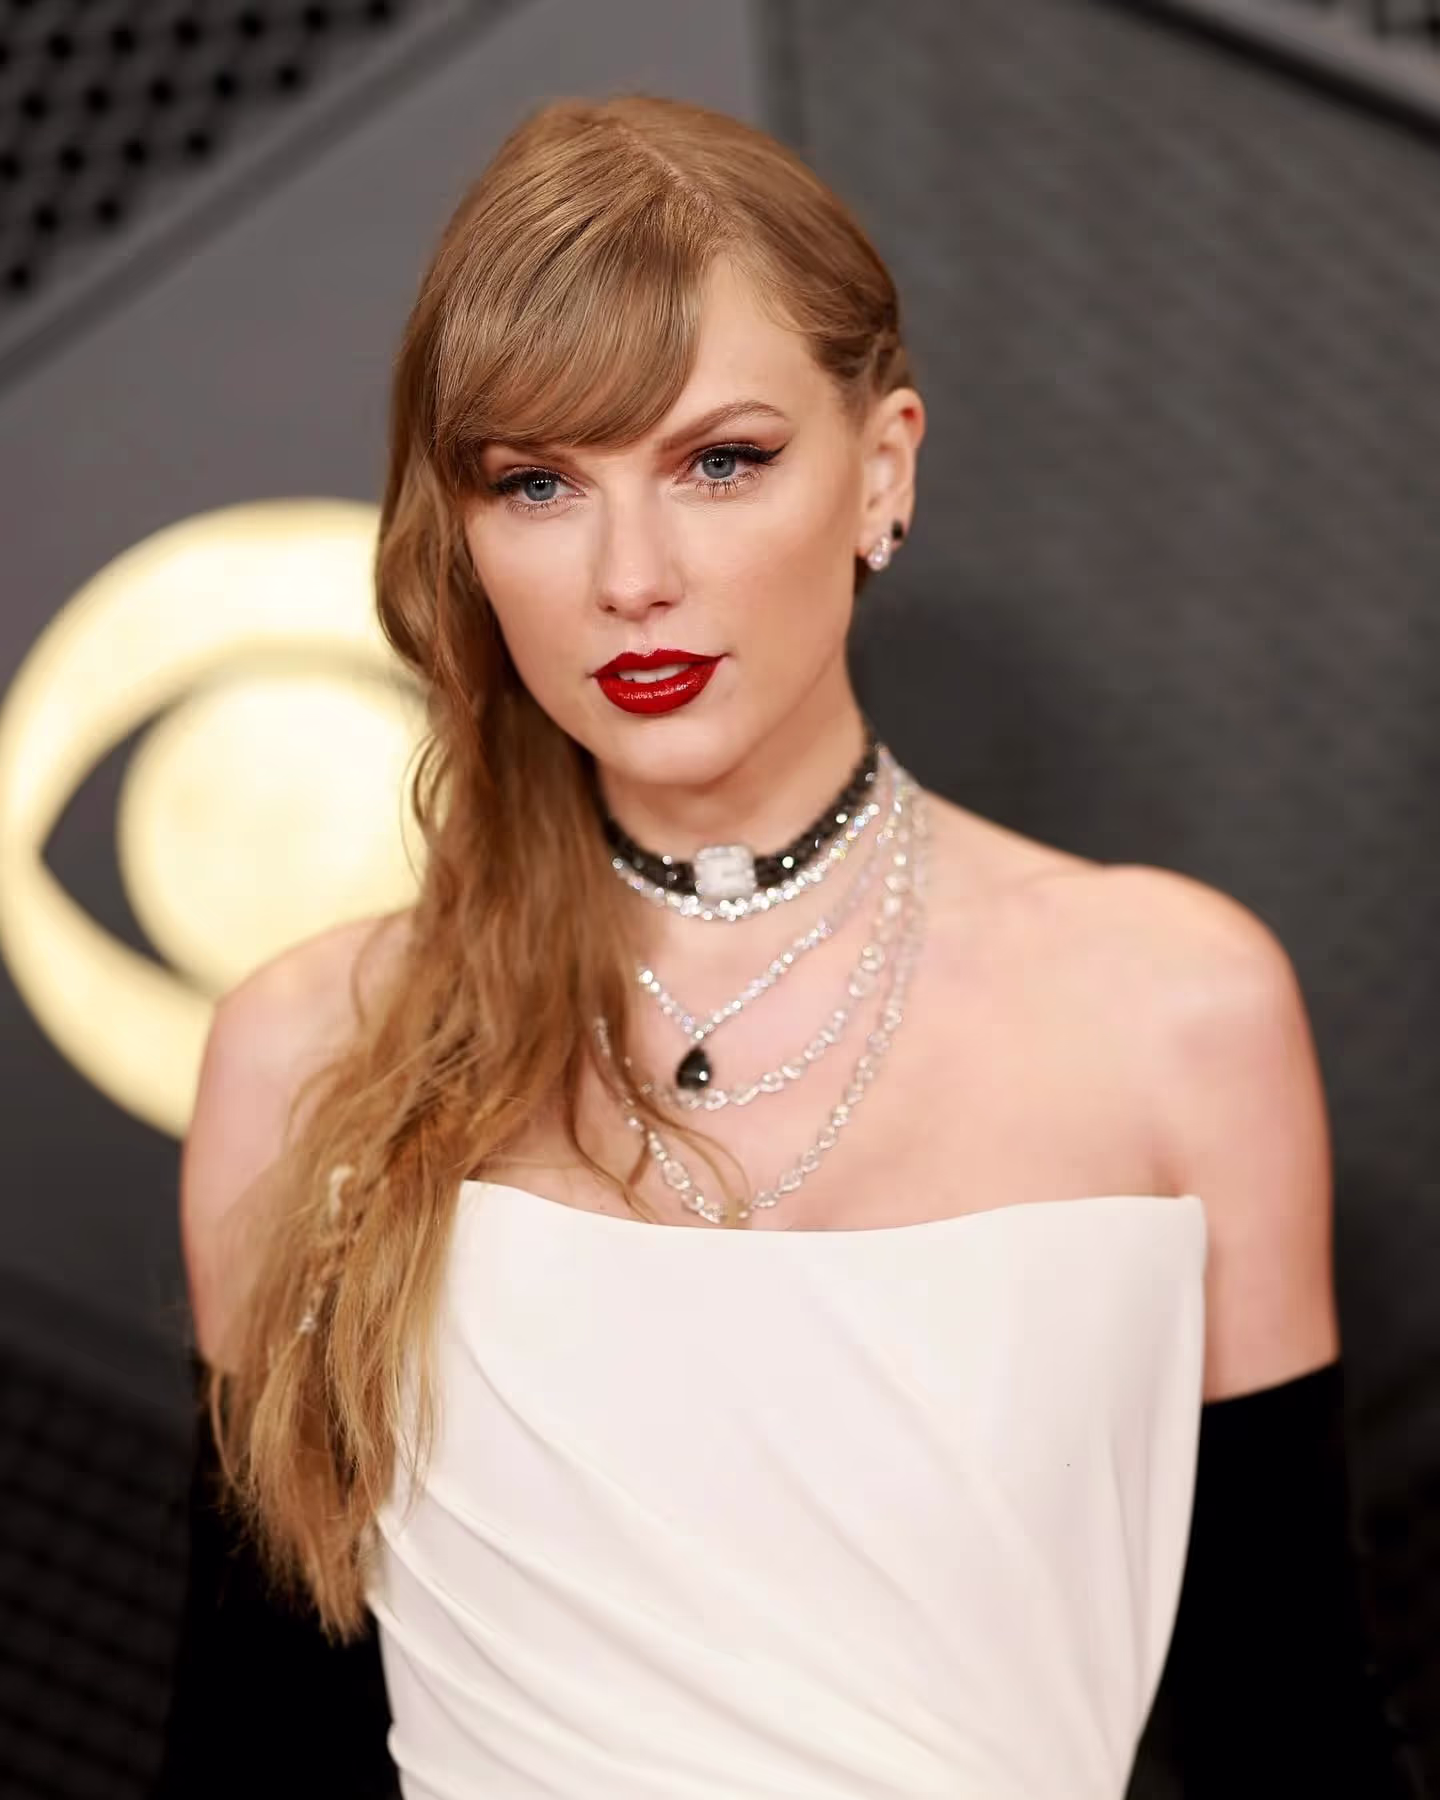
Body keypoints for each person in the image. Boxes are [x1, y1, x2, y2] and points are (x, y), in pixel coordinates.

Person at [153, 92, 1419, 1800]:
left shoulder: (1172, 1012)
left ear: (881, 468)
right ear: (465, 530)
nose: (632, 575)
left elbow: (1294, 1733)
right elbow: (253, 1752)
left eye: (719, 462)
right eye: (539, 483)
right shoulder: (310, 1050)